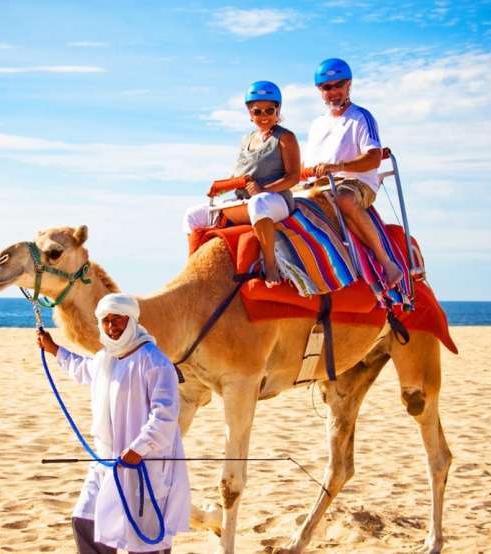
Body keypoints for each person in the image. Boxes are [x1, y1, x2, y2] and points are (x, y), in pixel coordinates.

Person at [36, 293, 190, 554]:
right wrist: (54, 350)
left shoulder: (154, 361)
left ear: (131, 320)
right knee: (86, 521)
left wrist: (138, 448)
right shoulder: (105, 358)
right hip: (107, 464)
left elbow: (164, 415)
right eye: (106, 321)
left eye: (117, 320)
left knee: (145, 541)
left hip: (145, 467)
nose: (111, 327)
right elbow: (82, 369)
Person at [183, 80, 301, 285]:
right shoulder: (246, 140)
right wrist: (221, 188)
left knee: (259, 203)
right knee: (192, 215)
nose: (263, 116)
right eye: (257, 111)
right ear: (249, 112)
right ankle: (193, 268)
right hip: (243, 202)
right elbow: (240, 174)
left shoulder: (285, 138)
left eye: (269, 110)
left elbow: (293, 177)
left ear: (278, 110)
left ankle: (271, 267)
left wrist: (263, 189)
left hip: (275, 201)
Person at [304, 58, 404, 287]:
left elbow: (373, 157)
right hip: (319, 183)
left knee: (344, 199)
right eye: (327, 87)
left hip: (356, 182)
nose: (333, 92)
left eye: (338, 85)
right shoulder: (317, 124)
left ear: (348, 84)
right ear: (320, 90)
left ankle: (387, 262)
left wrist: (337, 167)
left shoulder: (361, 117)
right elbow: (309, 163)